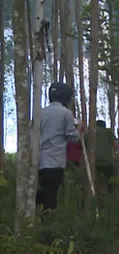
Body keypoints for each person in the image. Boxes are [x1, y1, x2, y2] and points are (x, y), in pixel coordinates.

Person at [37, 82, 83, 213]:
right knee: (51, 197)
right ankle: (48, 228)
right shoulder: (66, 113)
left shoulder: (41, 112)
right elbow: (73, 137)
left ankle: (39, 224)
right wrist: (79, 128)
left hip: (40, 161)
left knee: (45, 192)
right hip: (55, 161)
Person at [95, 120, 118, 196]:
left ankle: (98, 196)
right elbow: (115, 145)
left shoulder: (91, 132)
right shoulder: (108, 132)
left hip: (95, 162)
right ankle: (110, 195)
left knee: (96, 181)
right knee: (110, 180)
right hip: (108, 162)